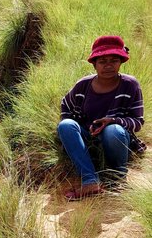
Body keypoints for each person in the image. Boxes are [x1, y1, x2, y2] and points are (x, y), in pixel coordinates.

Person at [57, 35, 145, 201]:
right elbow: (66, 106)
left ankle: (117, 178)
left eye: (114, 60)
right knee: (65, 125)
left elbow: (137, 121)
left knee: (113, 131)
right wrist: (75, 134)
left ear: (121, 62)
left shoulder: (130, 85)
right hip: (87, 134)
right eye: (103, 61)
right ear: (94, 64)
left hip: (115, 138)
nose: (108, 66)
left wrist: (112, 121)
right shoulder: (83, 85)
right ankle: (90, 180)